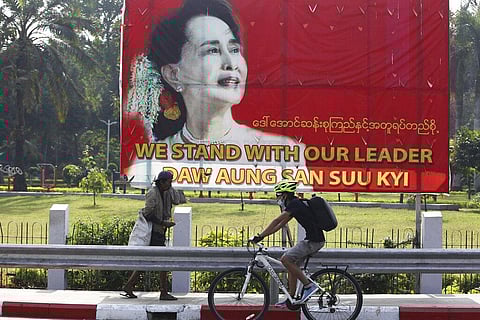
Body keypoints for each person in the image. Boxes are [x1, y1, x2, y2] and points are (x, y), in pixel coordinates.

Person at [126, 0, 307, 190]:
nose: (231, 63)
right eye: (212, 50)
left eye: (234, 49)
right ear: (174, 74)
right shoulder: (153, 158)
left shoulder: (284, 153)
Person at [251, 180, 325, 306]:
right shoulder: (295, 204)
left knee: (285, 259)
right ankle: (291, 299)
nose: (277, 198)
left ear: (285, 195)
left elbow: (276, 220)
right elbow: (280, 225)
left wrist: (260, 235)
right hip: (314, 240)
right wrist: (262, 236)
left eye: (278, 195)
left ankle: (308, 286)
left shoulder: (294, 204)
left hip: (313, 241)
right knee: (292, 264)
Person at [121, 170, 186, 300]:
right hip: (154, 232)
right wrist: (163, 222)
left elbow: (178, 200)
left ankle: (129, 285)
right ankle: (163, 292)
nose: (170, 184)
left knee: (147, 261)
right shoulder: (153, 193)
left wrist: (172, 188)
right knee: (163, 262)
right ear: (161, 182)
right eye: (168, 182)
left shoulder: (167, 192)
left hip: (160, 231)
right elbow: (147, 213)